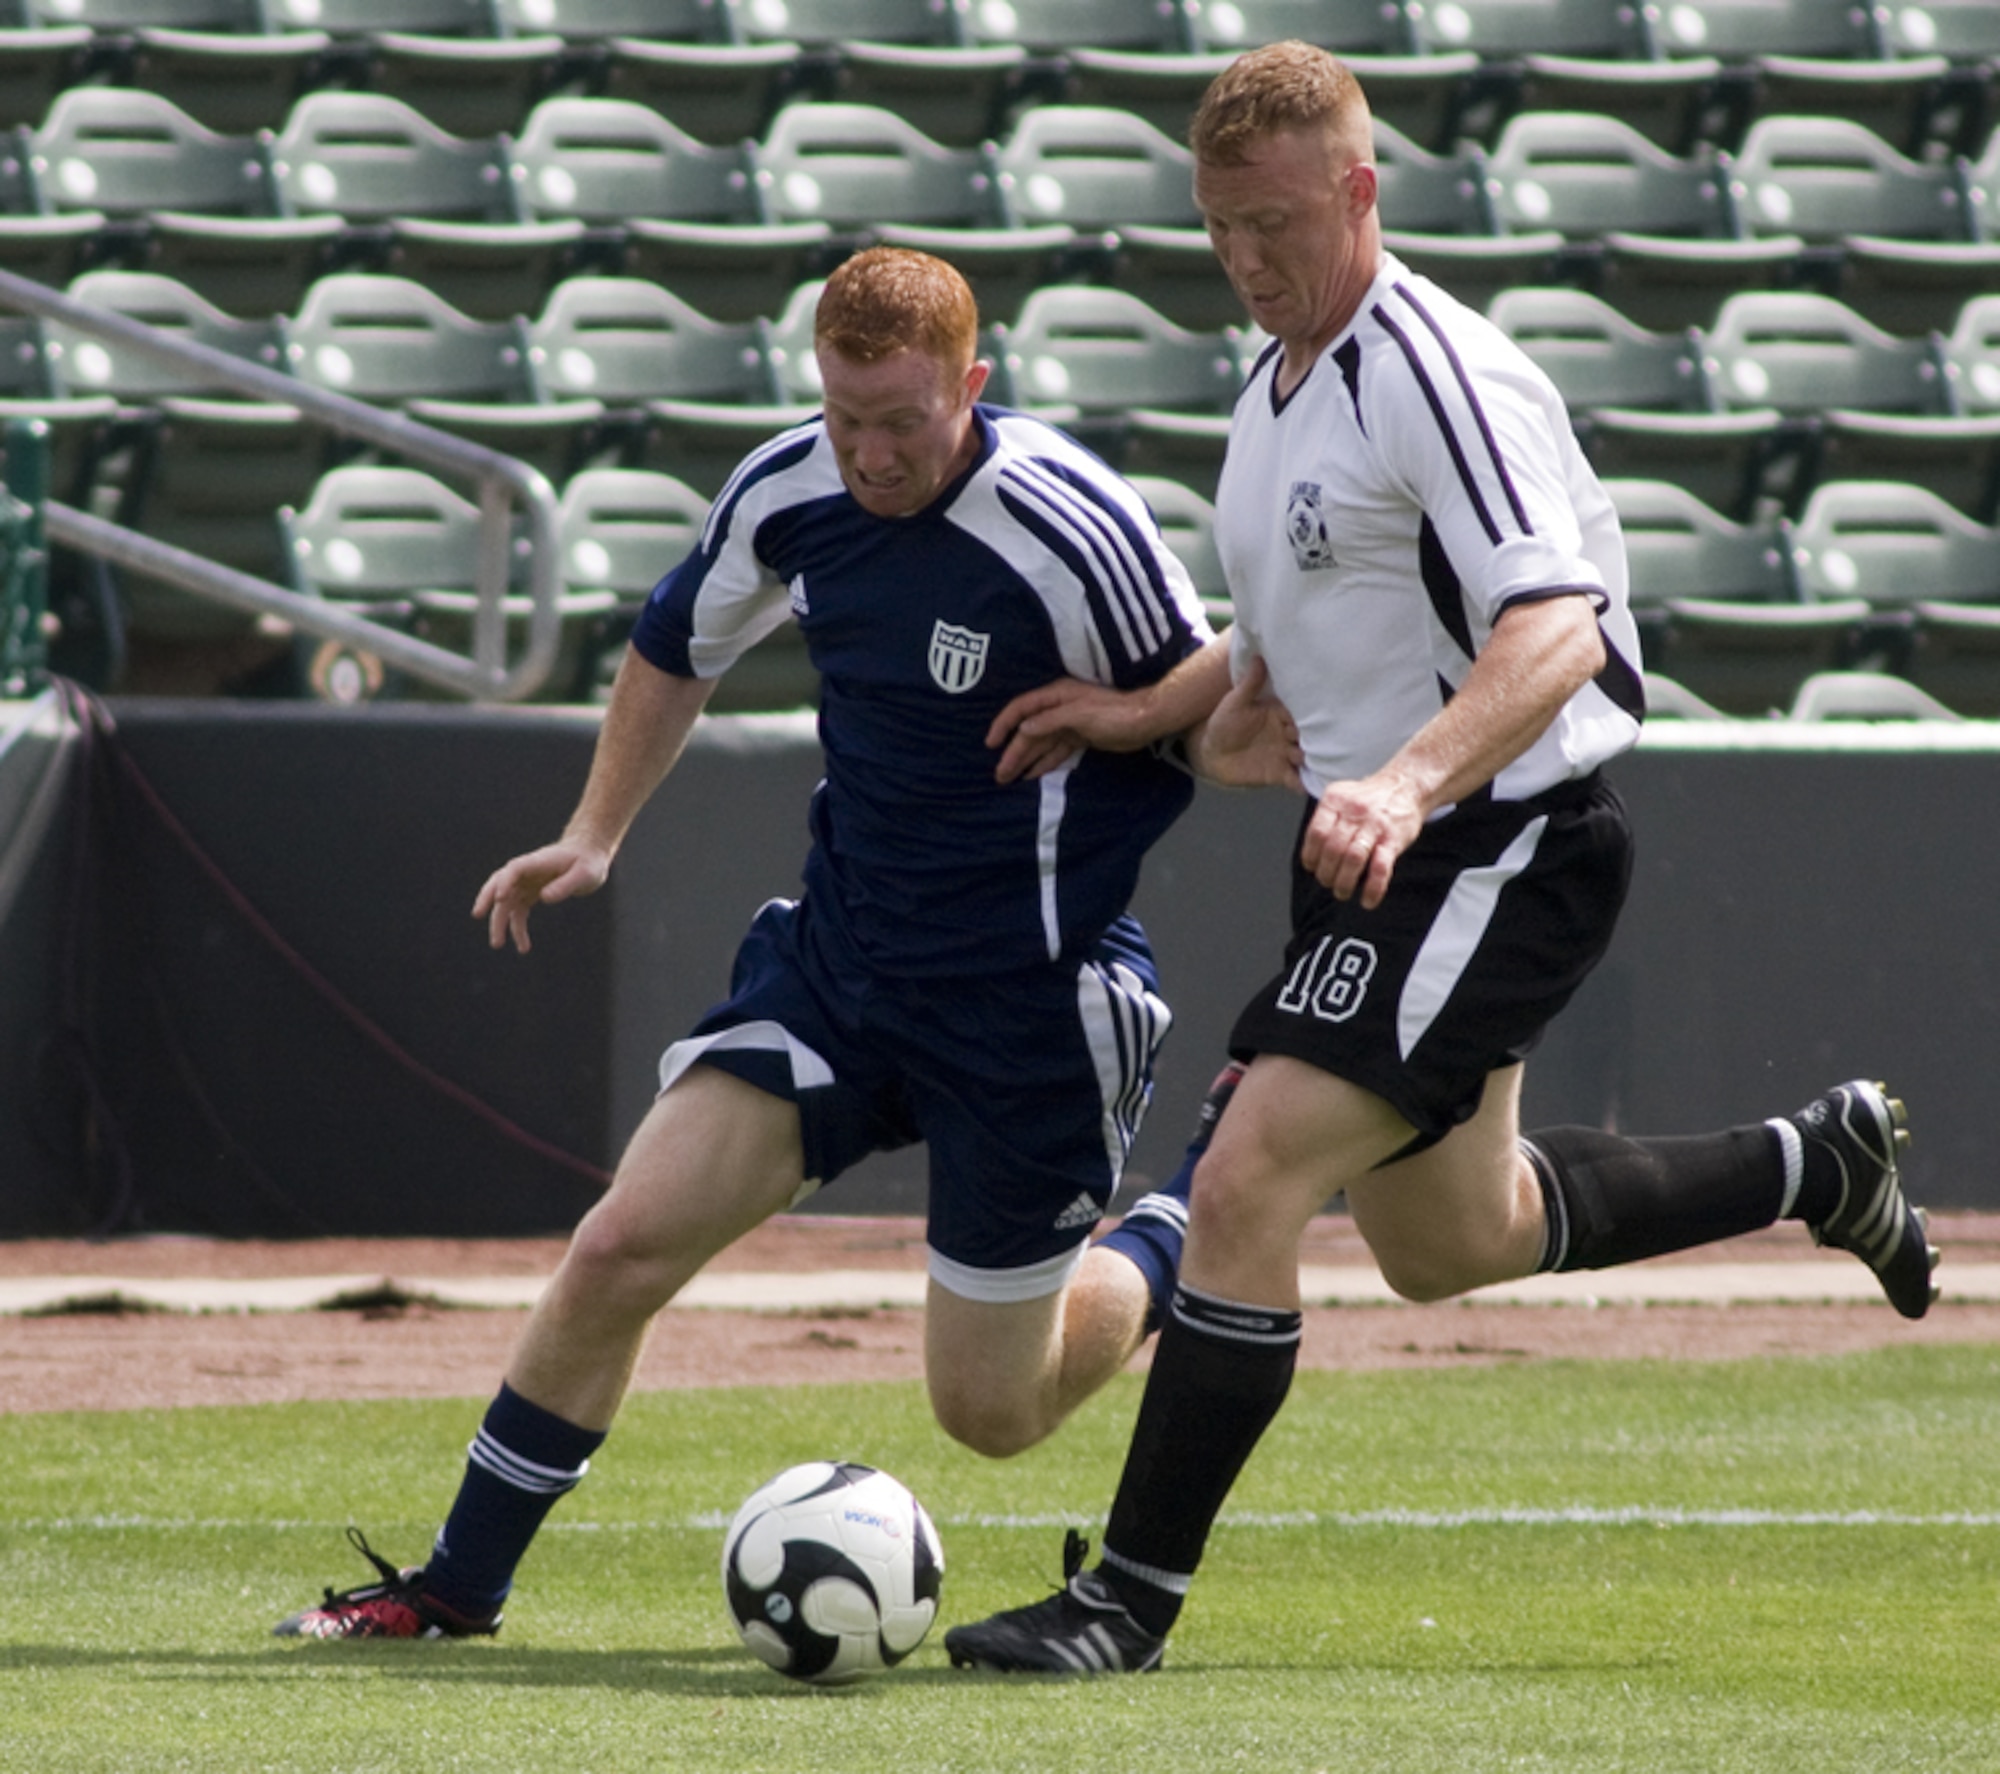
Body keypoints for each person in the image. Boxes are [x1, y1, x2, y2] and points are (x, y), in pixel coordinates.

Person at [942, 42, 1941, 1676]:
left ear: (1360, 190)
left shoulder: (1433, 370)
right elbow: (1269, 643)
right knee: (1449, 1240)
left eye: (1274, 224)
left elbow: (1562, 628)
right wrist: (1148, 713)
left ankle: (1124, 1600)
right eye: (1218, 231)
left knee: (1253, 1165)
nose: (1247, 262)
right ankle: (1814, 1163)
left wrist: (1400, 785)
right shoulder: (1271, 392)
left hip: (1499, 839)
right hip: (1383, 850)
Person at [273, 245, 1300, 1640]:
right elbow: (673, 640)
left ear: (972, 386)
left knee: (991, 1412)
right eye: (845, 417)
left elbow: (1217, 686)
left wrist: (1137, 719)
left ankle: (1184, 1213)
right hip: (841, 966)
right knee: (620, 1242)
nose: (870, 454)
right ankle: (455, 1589)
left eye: (903, 420)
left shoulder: (1067, 523)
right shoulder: (787, 487)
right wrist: (595, 831)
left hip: (1028, 1007)